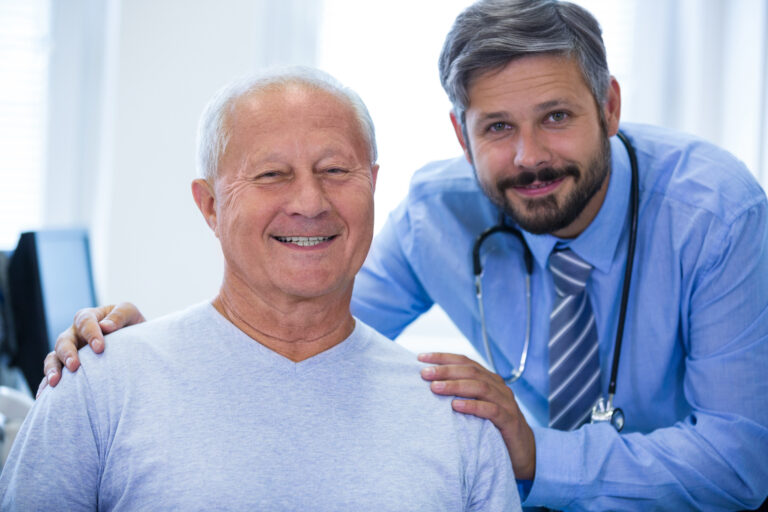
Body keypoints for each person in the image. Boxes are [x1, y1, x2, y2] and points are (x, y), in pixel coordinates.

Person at [40, 0, 768, 510]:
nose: (529, 156)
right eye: (497, 128)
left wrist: (538, 455)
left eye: (557, 117)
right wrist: (154, 358)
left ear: (608, 106)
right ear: (460, 134)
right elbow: (305, 317)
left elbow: (741, 462)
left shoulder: (715, 214)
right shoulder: (438, 213)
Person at [0, 68, 521, 511]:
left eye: (336, 170)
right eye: (271, 174)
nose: (310, 201)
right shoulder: (99, 385)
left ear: (373, 185)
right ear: (209, 206)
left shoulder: (459, 418)